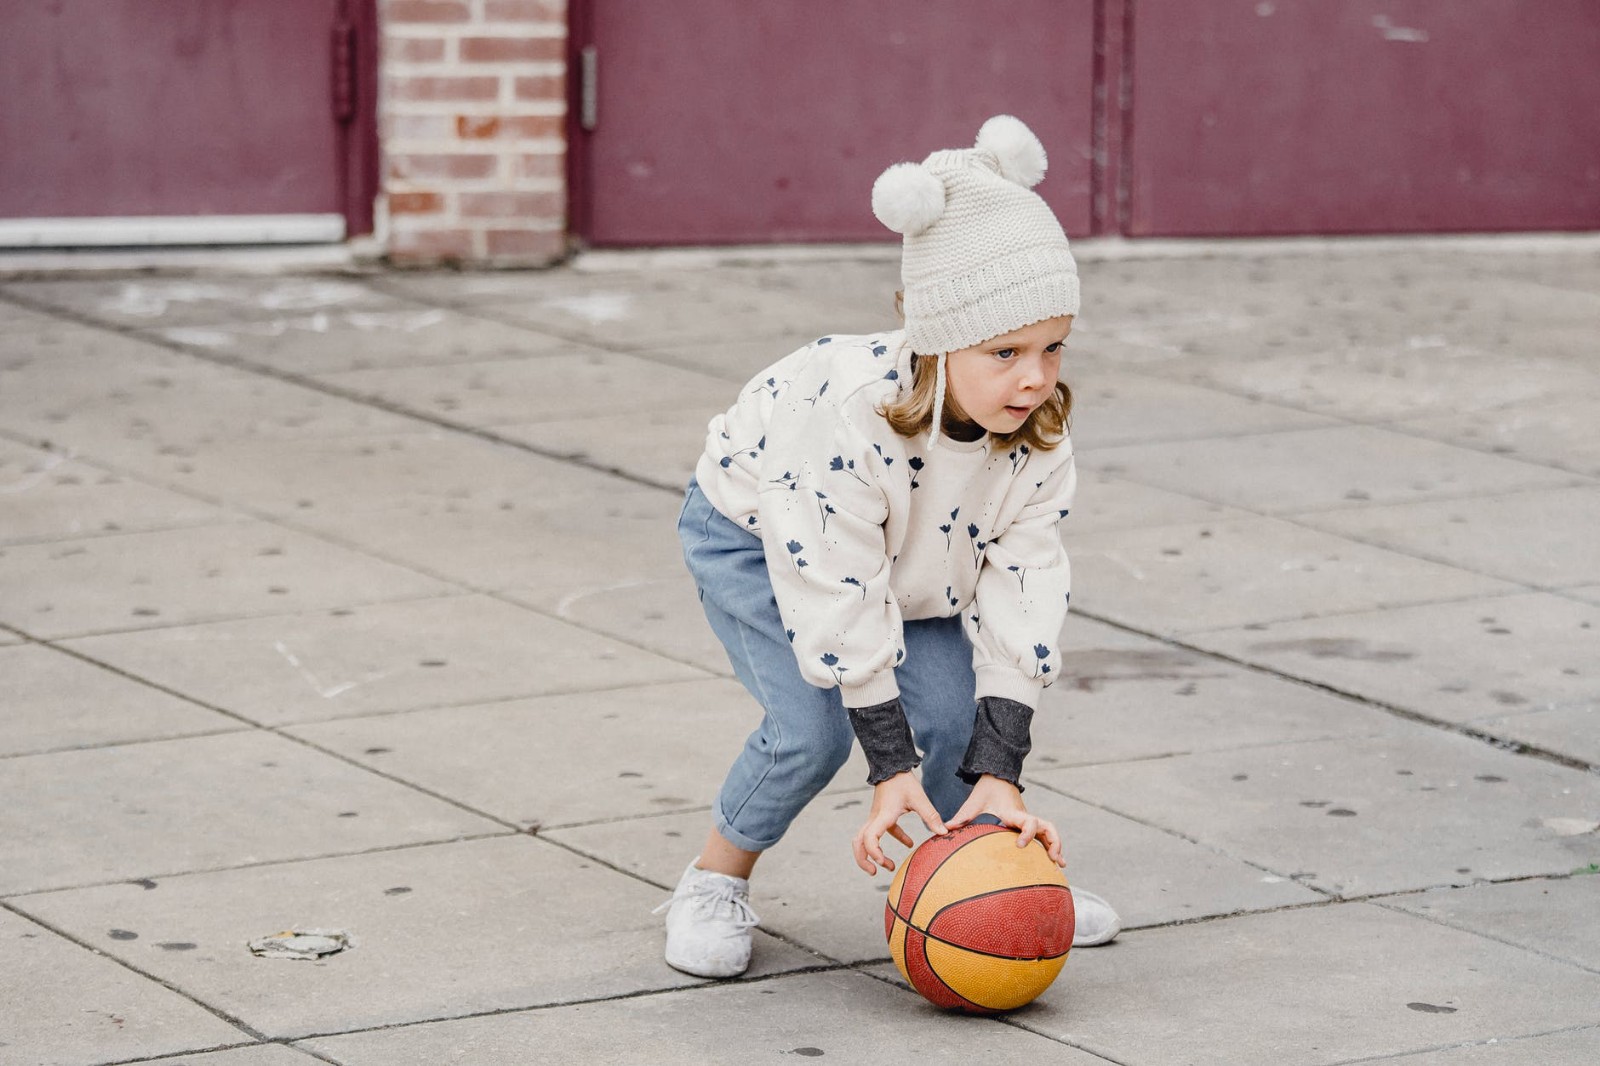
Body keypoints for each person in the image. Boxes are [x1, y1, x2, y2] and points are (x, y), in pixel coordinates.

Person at [657, 116, 1121, 978]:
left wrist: (1003, 768)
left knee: (949, 716)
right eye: (1006, 351)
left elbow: (1027, 584)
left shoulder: (1036, 434)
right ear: (939, 338)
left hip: (922, 557)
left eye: (1054, 347)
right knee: (810, 731)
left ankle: (979, 875)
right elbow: (831, 582)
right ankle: (714, 880)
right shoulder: (848, 418)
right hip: (762, 539)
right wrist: (887, 766)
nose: (1035, 376)